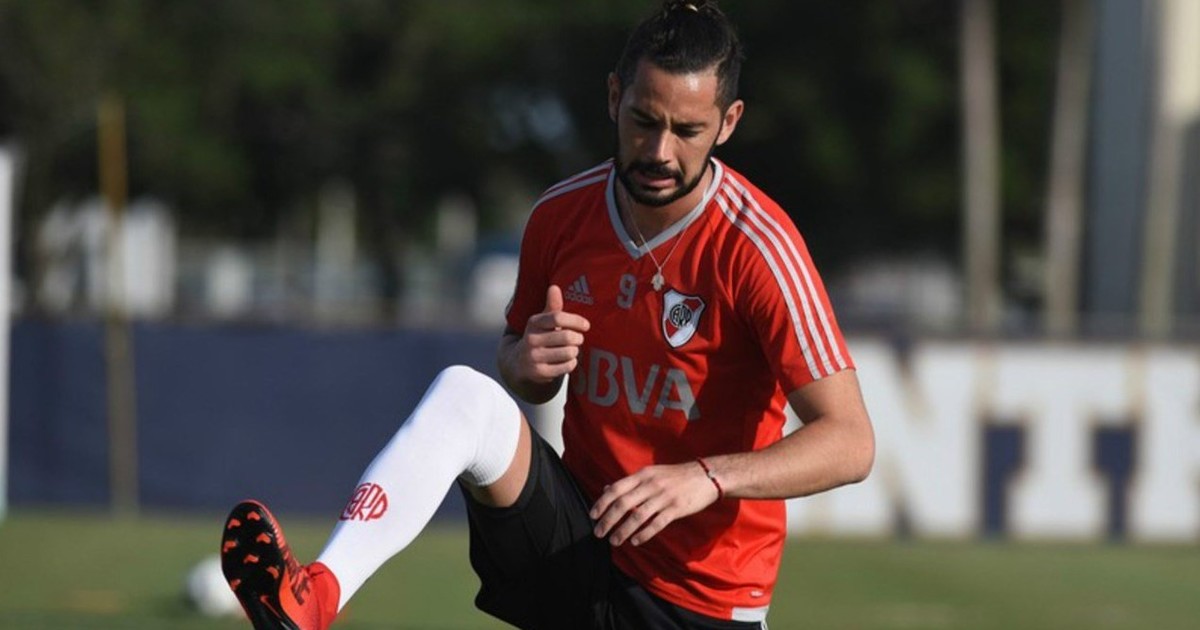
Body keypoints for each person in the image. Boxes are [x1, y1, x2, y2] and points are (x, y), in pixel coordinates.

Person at [219, 1, 874, 628]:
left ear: (728, 123)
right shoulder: (561, 215)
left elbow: (850, 441)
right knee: (465, 394)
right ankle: (316, 597)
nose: (659, 151)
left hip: (701, 599)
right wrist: (526, 364)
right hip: (578, 543)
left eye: (687, 131)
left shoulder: (759, 247)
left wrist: (707, 478)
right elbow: (521, 372)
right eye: (644, 120)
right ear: (614, 97)